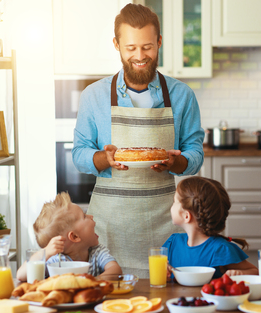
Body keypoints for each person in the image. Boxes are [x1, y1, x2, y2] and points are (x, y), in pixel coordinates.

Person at [71, 3, 204, 278]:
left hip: (167, 221)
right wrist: (102, 158)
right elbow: (79, 153)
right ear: (117, 45)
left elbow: (195, 153)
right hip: (109, 226)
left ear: (159, 42)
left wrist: (175, 162)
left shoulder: (182, 95)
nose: (140, 56)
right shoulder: (93, 96)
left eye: (147, 46)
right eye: (131, 48)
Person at [163, 177, 258, 278]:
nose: (171, 206)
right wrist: (165, 270)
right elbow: (159, 267)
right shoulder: (172, 242)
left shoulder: (221, 249)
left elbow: (255, 271)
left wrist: (239, 273)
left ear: (186, 216)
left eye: (174, 201)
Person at [16, 192, 122, 282]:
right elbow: (21, 275)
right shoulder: (57, 261)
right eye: (84, 216)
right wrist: (45, 252)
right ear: (75, 236)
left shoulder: (97, 252)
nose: (91, 216)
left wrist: (92, 282)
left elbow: (115, 270)